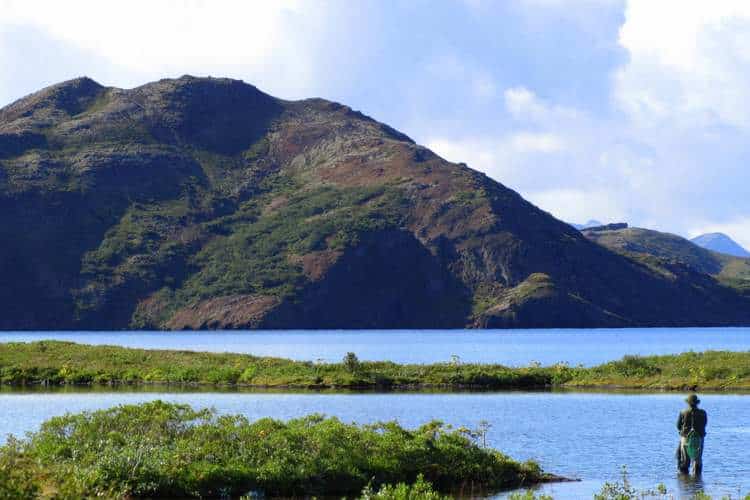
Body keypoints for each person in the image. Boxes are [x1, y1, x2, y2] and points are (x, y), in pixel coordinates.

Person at [676, 394, 707, 474]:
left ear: (688, 403)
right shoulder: (703, 412)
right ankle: (697, 482)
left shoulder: (683, 412)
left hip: (685, 438)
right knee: (697, 460)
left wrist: (681, 431)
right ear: (697, 403)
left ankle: (685, 481)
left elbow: (678, 426)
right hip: (698, 438)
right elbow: (704, 424)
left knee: (685, 460)